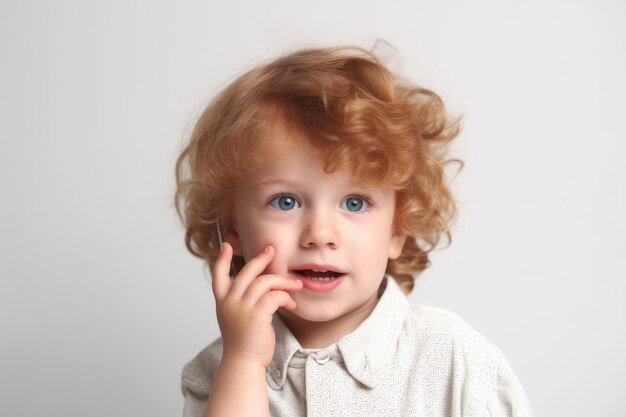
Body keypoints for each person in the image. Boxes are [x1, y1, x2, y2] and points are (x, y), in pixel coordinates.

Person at [174, 43, 533, 417]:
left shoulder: (454, 358)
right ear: (231, 226)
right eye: (285, 201)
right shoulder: (216, 372)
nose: (320, 234)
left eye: (354, 203)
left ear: (397, 229)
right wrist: (244, 361)